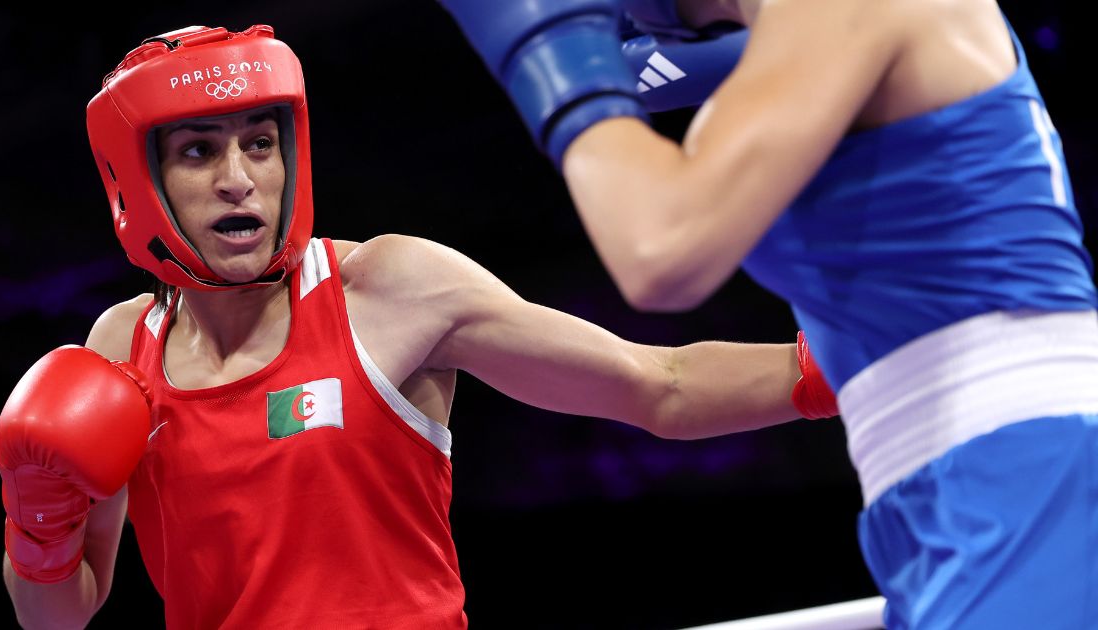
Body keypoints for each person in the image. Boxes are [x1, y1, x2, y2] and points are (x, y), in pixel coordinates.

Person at [0, 24, 837, 629]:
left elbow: (660, 387)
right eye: (198, 152)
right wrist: (39, 526)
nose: (241, 179)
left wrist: (857, 366)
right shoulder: (116, 352)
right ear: (137, 182)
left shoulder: (389, 288)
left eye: (260, 142)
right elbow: (57, 618)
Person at [437, 0, 1098, 628]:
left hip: (1022, 455)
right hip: (938, 479)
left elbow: (660, 249)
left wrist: (552, 47)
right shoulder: (791, 47)